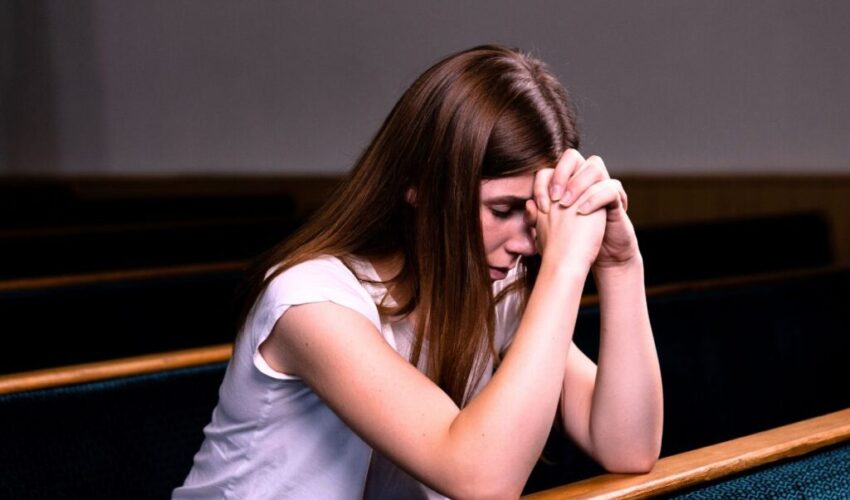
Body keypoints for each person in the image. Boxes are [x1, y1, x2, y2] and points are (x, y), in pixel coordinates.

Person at [174, 44, 663, 499]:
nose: (527, 243)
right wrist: (564, 267)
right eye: (502, 209)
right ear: (419, 187)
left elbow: (629, 446)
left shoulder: (491, 291)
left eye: (535, 212)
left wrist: (618, 267)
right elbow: (482, 480)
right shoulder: (310, 302)